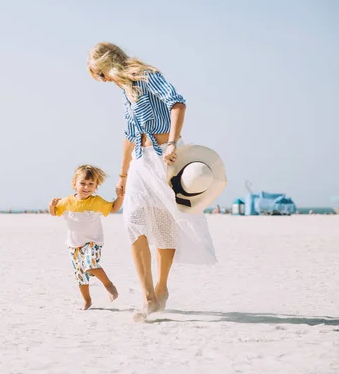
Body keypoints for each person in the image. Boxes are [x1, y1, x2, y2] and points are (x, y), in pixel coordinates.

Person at [87, 42, 218, 321]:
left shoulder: (147, 75)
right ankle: (147, 296)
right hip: (139, 161)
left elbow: (177, 103)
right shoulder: (124, 91)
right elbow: (128, 135)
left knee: (164, 226)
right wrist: (122, 175)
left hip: (164, 159)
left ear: (107, 64)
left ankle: (161, 288)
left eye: (100, 74)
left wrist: (172, 143)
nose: (103, 80)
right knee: (133, 222)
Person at [49, 164, 124, 310]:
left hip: (92, 242)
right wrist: (51, 205)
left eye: (91, 184)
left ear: (96, 186)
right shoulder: (67, 201)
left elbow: (114, 208)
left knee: (90, 265)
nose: (86, 187)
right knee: (80, 275)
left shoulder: (97, 202)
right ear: (74, 184)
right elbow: (55, 213)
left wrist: (120, 196)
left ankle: (108, 285)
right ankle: (87, 300)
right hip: (73, 245)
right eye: (83, 183)